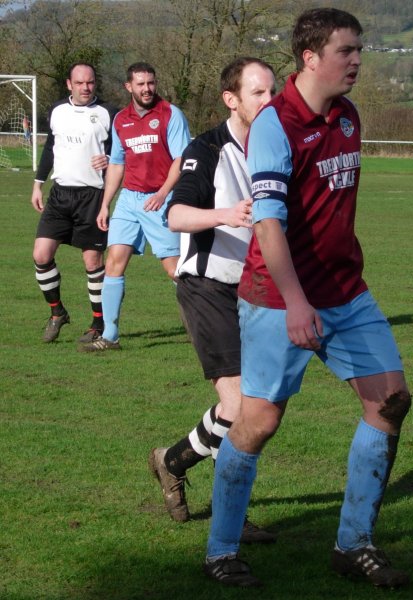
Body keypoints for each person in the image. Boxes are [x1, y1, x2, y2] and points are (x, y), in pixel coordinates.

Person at [203, 8, 412, 588]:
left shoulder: (347, 115)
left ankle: (353, 544)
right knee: (259, 421)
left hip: (347, 292)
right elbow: (268, 224)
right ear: (310, 57)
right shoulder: (276, 124)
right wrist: (297, 303)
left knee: (390, 402)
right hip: (278, 296)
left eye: (359, 50)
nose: (357, 60)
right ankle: (221, 549)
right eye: (346, 51)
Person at [150, 58, 277, 543]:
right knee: (242, 405)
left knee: (251, 408)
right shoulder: (205, 149)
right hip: (206, 286)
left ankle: (172, 460)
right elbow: (176, 215)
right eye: (258, 94)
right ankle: (231, 521)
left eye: (272, 92)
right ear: (232, 99)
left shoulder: (273, 146)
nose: (269, 102)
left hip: (255, 290)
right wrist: (227, 213)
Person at [81, 62, 191, 352]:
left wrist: (164, 193)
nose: (147, 89)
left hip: (161, 200)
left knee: (175, 270)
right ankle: (110, 335)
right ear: (128, 87)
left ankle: (200, 323)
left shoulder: (170, 114)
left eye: (150, 83)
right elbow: (117, 163)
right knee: (114, 262)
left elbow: (181, 160)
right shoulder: (120, 120)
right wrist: (106, 204)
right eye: (140, 84)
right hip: (129, 200)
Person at [31, 63, 117, 344]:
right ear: (69, 84)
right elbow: (50, 148)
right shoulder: (57, 110)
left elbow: (120, 151)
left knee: (92, 261)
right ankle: (57, 313)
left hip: (92, 196)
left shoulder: (108, 113)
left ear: (95, 83)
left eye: (90, 82)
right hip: (60, 194)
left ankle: (98, 323)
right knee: (41, 255)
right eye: (80, 83)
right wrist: (38, 183)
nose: (85, 88)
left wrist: (109, 158)